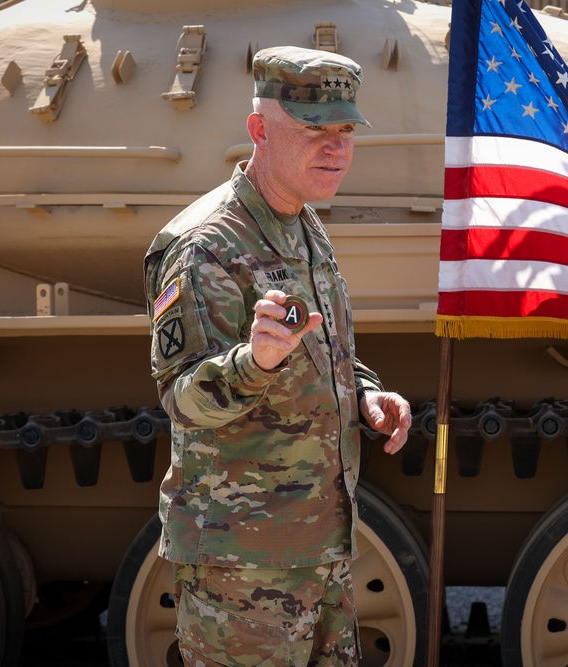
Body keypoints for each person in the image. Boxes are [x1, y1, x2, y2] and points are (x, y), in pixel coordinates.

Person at [144, 46, 412, 666]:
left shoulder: (302, 224)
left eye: (345, 131)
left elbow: (324, 351)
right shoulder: (204, 246)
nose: (336, 148)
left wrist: (366, 393)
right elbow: (182, 398)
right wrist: (253, 364)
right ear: (259, 130)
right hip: (241, 568)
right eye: (314, 130)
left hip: (321, 549)